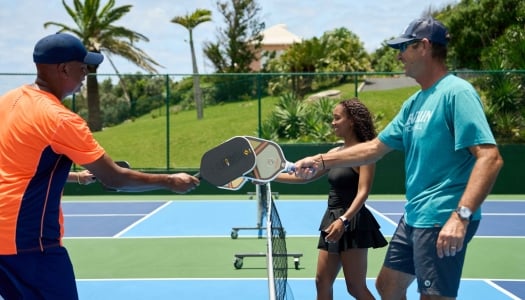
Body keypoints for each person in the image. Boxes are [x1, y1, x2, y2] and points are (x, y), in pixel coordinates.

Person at [293, 18, 503, 300]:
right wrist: (322, 160)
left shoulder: (457, 93)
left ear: (425, 47)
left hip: (442, 215)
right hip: (415, 215)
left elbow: (490, 158)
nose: (398, 55)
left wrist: (460, 216)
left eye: (404, 47)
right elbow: (374, 148)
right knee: (387, 286)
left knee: (434, 296)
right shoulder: (414, 103)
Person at [0, 32, 200, 299]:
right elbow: (114, 178)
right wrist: (169, 181)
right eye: (83, 67)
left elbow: (17, 168)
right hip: (29, 243)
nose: (86, 74)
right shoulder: (60, 119)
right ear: (63, 69)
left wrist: (75, 177)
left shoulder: (9, 101)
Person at [274, 99, 387, 300]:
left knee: (355, 287)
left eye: (337, 118)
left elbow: (363, 192)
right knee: (322, 281)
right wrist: (267, 177)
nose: (332, 123)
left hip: (352, 222)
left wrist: (344, 220)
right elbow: (302, 178)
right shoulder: (334, 153)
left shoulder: (365, 152)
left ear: (351, 121)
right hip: (331, 219)